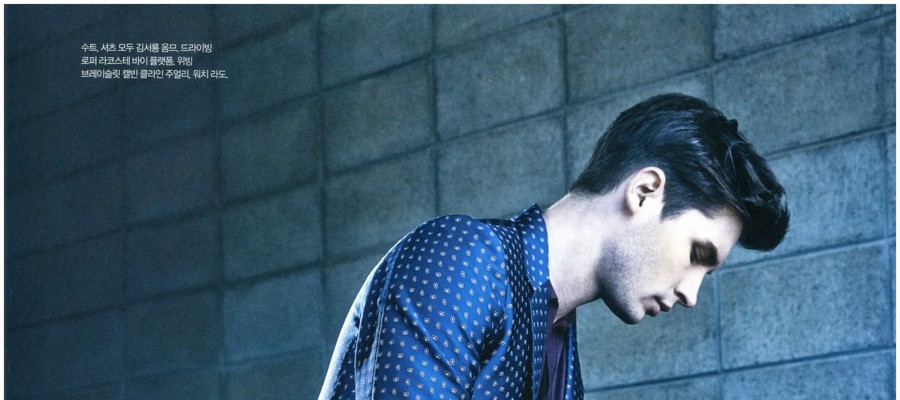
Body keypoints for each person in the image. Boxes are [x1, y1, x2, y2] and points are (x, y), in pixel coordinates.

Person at [319, 93, 790, 400]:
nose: (691, 293)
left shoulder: (558, 349)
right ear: (645, 192)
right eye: (697, 255)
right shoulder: (462, 258)